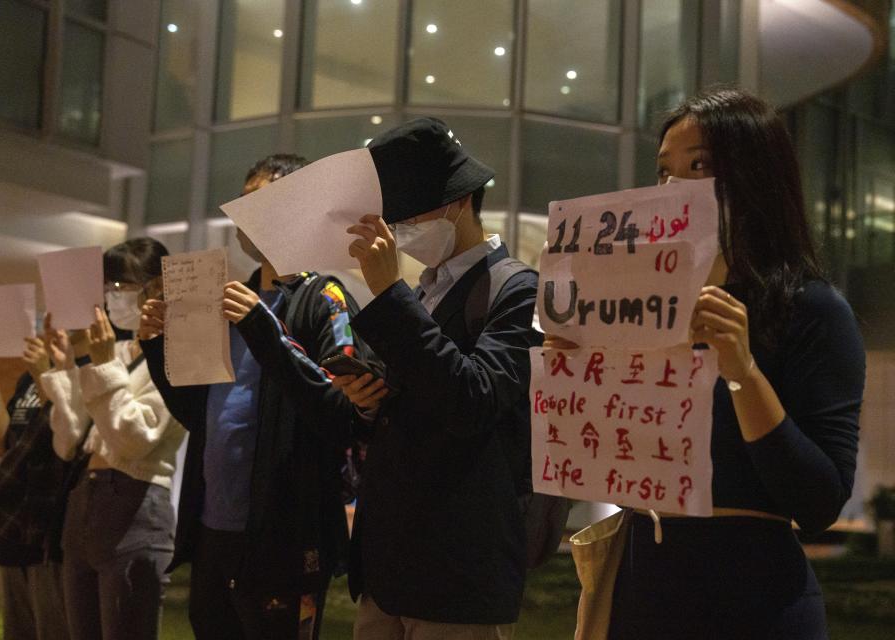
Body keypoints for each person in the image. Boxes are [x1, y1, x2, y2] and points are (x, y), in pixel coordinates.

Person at [577, 89, 864, 639]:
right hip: (644, 591)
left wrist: (742, 370)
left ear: (754, 177)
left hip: (753, 603)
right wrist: (580, 374)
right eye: (664, 173)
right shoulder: (638, 308)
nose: (673, 188)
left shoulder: (813, 310)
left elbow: (819, 502)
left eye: (700, 166)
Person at [137, 153, 363, 640]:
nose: (247, 215)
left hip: (286, 534)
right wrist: (157, 348)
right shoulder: (226, 299)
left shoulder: (325, 298)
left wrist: (264, 328)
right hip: (215, 527)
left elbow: (341, 413)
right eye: (244, 202)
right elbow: (198, 415)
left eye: (263, 202)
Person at [335, 117, 540, 639]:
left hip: (459, 572)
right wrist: (367, 400)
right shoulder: (420, 291)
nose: (401, 230)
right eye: (394, 218)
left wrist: (390, 298)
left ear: (460, 200)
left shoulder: (516, 289)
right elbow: (406, 403)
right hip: (388, 565)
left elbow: (474, 399)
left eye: (410, 214)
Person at [39, 237, 185, 640]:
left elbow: (135, 440)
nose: (111, 299)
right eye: (106, 289)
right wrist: (67, 365)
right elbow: (68, 442)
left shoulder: (179, 354)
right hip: (86, 501)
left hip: (136, 504)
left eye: (121, 288)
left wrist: (100, 365)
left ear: (157, 287)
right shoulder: (118, 350)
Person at [0, 335, 71, 640]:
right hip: (16, 526)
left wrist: (44, 376)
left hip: (52, 528)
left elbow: (67, 433)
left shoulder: (76, 372)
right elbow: (3, 444)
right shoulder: (30, 376)